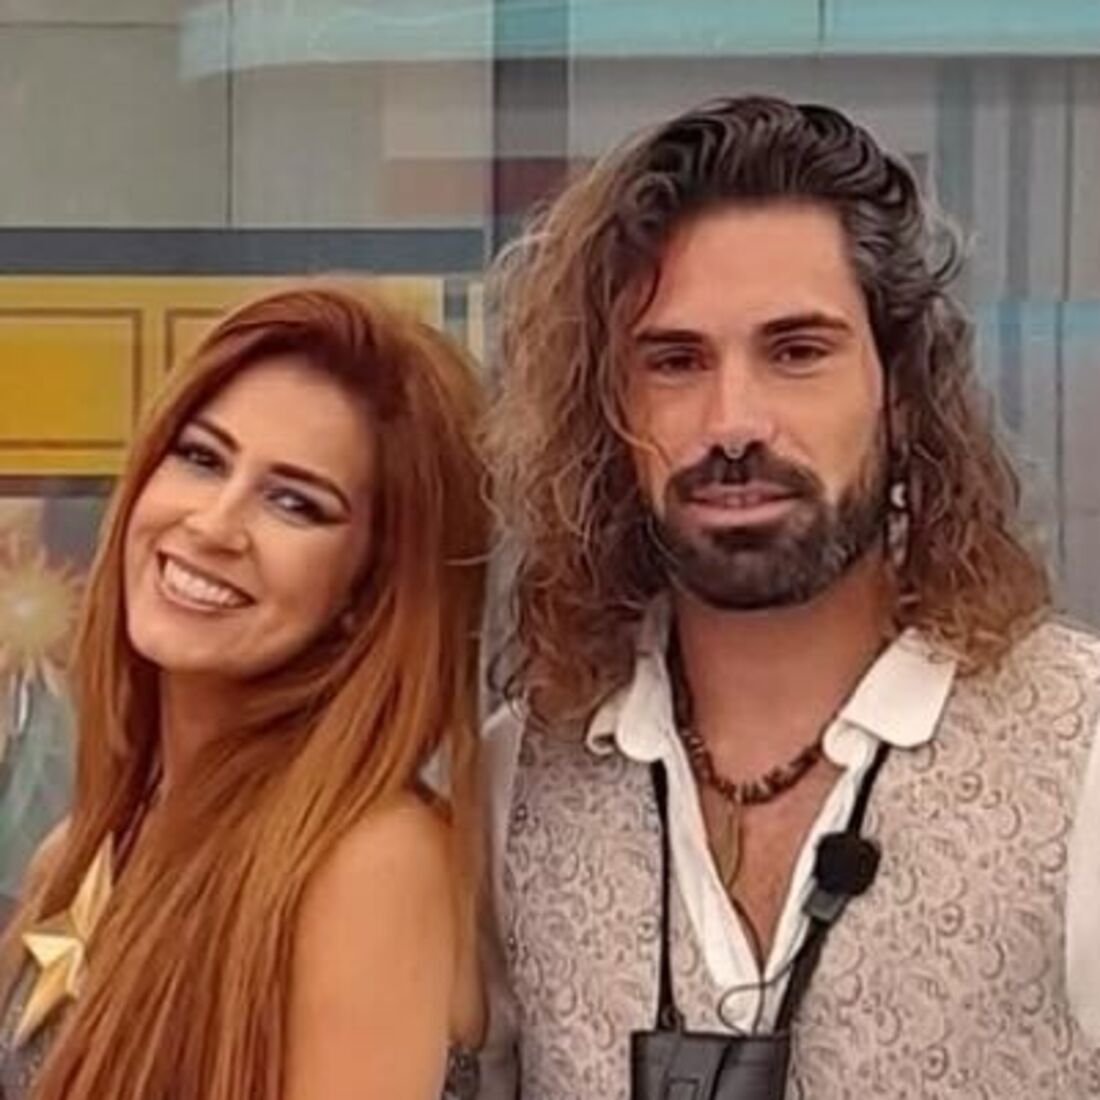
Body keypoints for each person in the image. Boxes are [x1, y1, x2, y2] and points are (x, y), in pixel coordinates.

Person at [482, 95, 1100, 1098]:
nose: (733, 421)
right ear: (609, 413)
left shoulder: (1082, 753)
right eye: (675, 361)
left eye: (796, 351)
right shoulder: (520, 778)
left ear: (900, 390)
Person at [0, 283, 488, 1100]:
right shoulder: (77, 852)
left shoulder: (374, 863)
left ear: (369, 590)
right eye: (202, 458)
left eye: (294, 503)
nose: (214, 524)